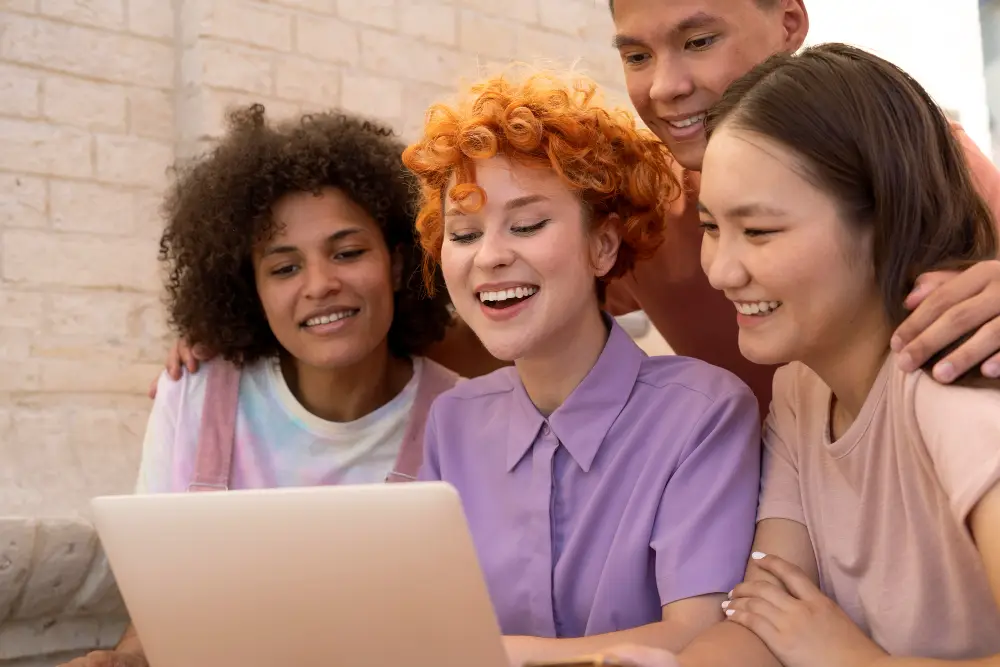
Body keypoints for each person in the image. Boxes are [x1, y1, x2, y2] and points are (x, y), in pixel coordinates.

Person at [158, 0, 1000, 420]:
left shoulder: (915, 154)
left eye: (698, 40)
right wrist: (247, 327)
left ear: (788, 23)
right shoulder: (644, 215)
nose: (666, 86)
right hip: (786, 504)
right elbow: (479, 321)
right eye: (636, 54)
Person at [603, 43, 1000, 667]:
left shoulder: (956, 383)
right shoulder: (798, 390)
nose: (722, 271)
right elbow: (764, 619)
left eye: (759, 231)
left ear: (884, 219)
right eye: (711, 227)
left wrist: (851, 660)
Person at [62, 104, 457, 667]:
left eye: (347, 253)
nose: (321, 284)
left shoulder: (467, 417)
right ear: (252, 288)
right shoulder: (195, 395)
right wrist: (119, 660)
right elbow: (157, 610)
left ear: (397, 264)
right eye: (284, 267)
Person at [402, 71, 763, 667]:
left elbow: (698, 635)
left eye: (526, 224)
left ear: (604, 246)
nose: (489, 256)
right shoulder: (453, 421)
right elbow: (428, 624)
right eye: (463, 234)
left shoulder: (705, 414)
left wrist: (496, 654)